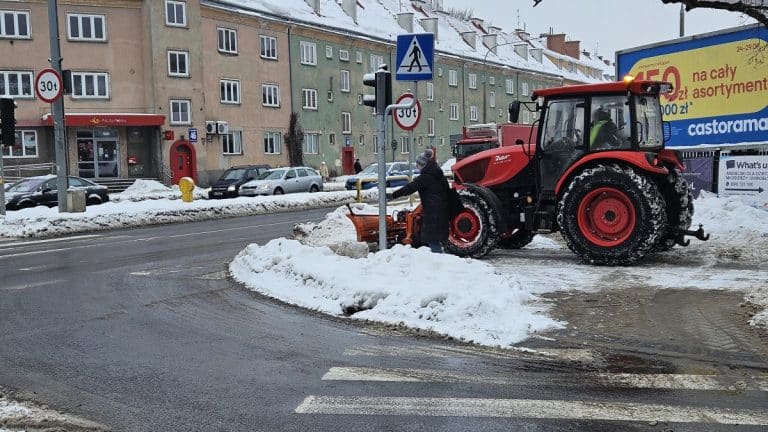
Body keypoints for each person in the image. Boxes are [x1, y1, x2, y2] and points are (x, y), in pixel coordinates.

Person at [386, 149, 449, 253]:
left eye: (417, 164)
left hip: (433, 212)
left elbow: (410, 188)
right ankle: (439, 257)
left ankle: (438, 259)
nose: (416, 166)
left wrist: (393, 195)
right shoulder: (438, 174)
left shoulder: (426, 177)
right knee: (437, 239)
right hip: (441, 209)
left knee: (433, 240)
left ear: (422, 164)